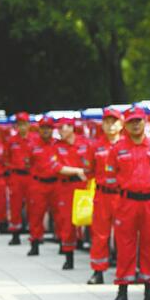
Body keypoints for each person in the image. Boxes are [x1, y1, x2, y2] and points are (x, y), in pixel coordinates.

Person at [106, 105, 150, 300]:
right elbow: (110, 175)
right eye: (131, 121)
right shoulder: (117, 148)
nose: (135, 125)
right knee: (125, 247)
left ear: (145, 122)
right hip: (127, 202)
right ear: (125, 124)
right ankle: (122, 292)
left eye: (138, 121)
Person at [27, 117, 85, 256]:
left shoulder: (59, 144)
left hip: (57, 183)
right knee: (36, 214)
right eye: (43, 128)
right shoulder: (33, 145)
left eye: (49, 128)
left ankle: (62, 243)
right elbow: (28, 163)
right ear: (39, 129)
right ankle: (35, 243)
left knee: (60, 215)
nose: (46, 130)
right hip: (39, 183)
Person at [86, 108, 124, 284]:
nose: (110, 125)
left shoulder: (126, 144)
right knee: (100, 233)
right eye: (107, 122)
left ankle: (124, 271)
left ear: (121, 124)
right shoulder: (96, 146)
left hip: (122, 195)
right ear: (102, 124)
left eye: (114, 121)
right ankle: (98, 271)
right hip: (102, 194)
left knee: (124, 234)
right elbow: (89, 170)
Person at [54, 116, 91, 270]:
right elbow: (57, 167)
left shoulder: (85, 143)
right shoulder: (56, 146)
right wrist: (77, 170)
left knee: (91, 220)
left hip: (85, 186)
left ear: (72, 127)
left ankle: (97, 258)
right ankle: (69, 257)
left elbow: (92, 162)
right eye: (59, 128)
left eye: (64, 127)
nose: (61, 130)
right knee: (67, 223)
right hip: (66, 188)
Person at [6, 112, 32, 245]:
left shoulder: (34, 139)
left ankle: (34, 234)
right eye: (20, 125)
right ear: (16, 126)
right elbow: (6, 158)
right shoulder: (11, 141)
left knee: (33, 205)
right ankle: (15, 234)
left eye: (25, 124)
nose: (22, 127)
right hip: (16, 176)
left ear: (29, 125)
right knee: (15, 205)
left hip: (30, 176)